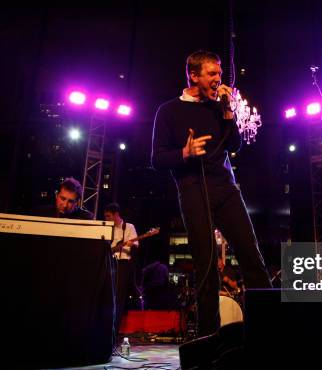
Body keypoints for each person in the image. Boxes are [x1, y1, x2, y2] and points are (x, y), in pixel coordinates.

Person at [151, 50, 271, 337]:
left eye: (219, 74)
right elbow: (157, 159)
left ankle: (270, 330)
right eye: (212, 74)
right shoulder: (168, 111)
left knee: (251, 256)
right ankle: (209, 340)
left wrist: (228, 111)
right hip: (192, 190)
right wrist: (184, 152)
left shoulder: (219, 107)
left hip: (226, 189)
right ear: (193, 75)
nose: (219, 79)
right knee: (206, 267)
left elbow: (235, 146)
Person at [104, 203, 139, 327]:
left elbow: (136, 244)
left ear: (116, 215)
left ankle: (115, 326)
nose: (106, 219)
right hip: (109, 264)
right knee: (106, 295)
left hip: (123, 264)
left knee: (118, 297)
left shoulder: (129, 227)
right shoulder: (107, 228)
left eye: (108, 216)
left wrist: (132, 245)